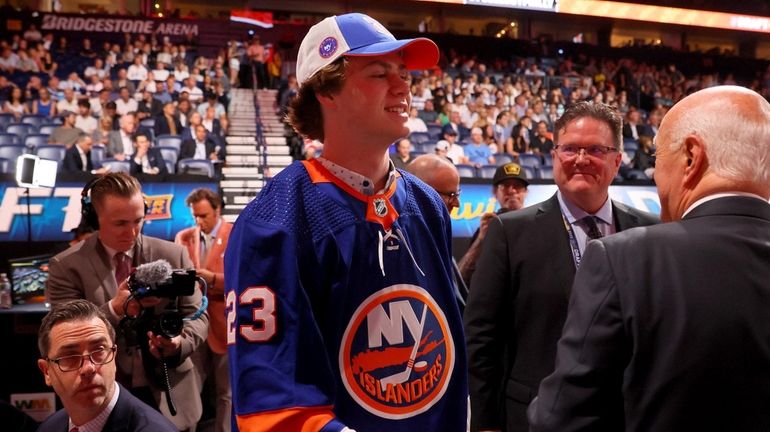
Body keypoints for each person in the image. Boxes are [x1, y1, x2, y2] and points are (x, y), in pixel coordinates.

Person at [225, 13, 467, 431]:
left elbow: (448, 355)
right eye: (379, 73)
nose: (403, 85)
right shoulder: (274, 218)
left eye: (404, 73)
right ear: (326, 91)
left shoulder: (426, 202)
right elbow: (272, 404)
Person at [528, 86, 770, 431]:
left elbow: (560, 420)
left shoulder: (623, 256)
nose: (656, 177)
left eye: (657, 160)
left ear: (691, 157)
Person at [464, 101, 659, 432]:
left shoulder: (651, 231)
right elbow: (482, 337)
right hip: (532, 416)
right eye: (570, 149)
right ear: (554, 156)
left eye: (595, 149)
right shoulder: (509, 232)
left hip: (627, 417)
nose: (580, 159)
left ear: (617, 161)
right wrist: (486, 423)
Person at [46, 173, 208, 431]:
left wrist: (178, 343)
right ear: (94, 219)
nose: (132, 232)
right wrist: (115, 309)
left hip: (172, 395)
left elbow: (198, 316)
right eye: (120, 223)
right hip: (101, 398)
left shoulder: (174, 254)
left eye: (138, 221)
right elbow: (63, 333)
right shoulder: (66, 266)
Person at [36, 300, 178, 432]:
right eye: (70, 356)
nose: (88, 368)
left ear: (113, 356)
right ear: (47, 371)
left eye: (99, 350)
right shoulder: (49, 427)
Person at [174, 188, 232, 432]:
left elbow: (246, 278)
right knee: (188, 390)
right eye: (195, 216)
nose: (199, 221)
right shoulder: (183, 237)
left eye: (204, 216)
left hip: (225, 324)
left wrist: (212, 280)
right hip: (192, 326)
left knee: (226, 394)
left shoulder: (236, 234)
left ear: (217, 210)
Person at [406, 154, 467, 309]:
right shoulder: (403, 247)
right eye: (451, 195)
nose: (457, 203)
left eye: (457, 194)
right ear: (422, 193)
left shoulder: (436, 237)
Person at [457, 162, 529, 288]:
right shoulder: (487, 227)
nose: (512, 191)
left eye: (518, 186)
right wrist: (481, 239)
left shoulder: (537, 225)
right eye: (505, 186)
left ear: (526, 192)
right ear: (495, 192)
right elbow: (460, 280)